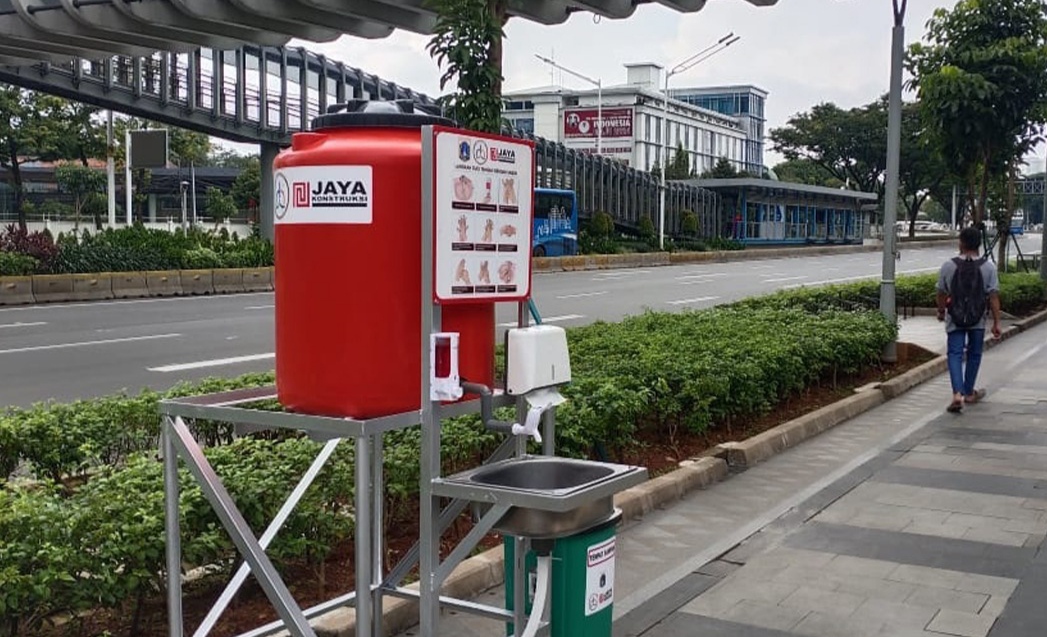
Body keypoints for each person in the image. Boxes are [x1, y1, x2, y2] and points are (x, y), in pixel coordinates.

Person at [935, 226, 1002, 413]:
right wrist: (996, 323)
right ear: (979, 244)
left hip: (954, 318)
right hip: (977, 319)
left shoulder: (949, 265)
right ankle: (969, 392)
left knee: (955, 354)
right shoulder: (988, 267)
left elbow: (941, 292)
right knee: (974, 354)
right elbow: (994, 297)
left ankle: (957, 393)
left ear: (961, 243)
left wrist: (941, 311)